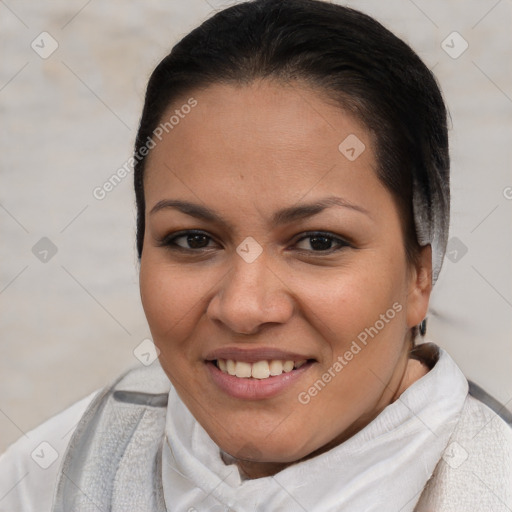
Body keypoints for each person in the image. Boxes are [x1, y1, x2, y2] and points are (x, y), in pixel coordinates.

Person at [1, 0, 511, 510]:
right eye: (194, 240)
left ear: (420, 275)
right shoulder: (50, 479)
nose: (244, 308)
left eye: (318, 242)